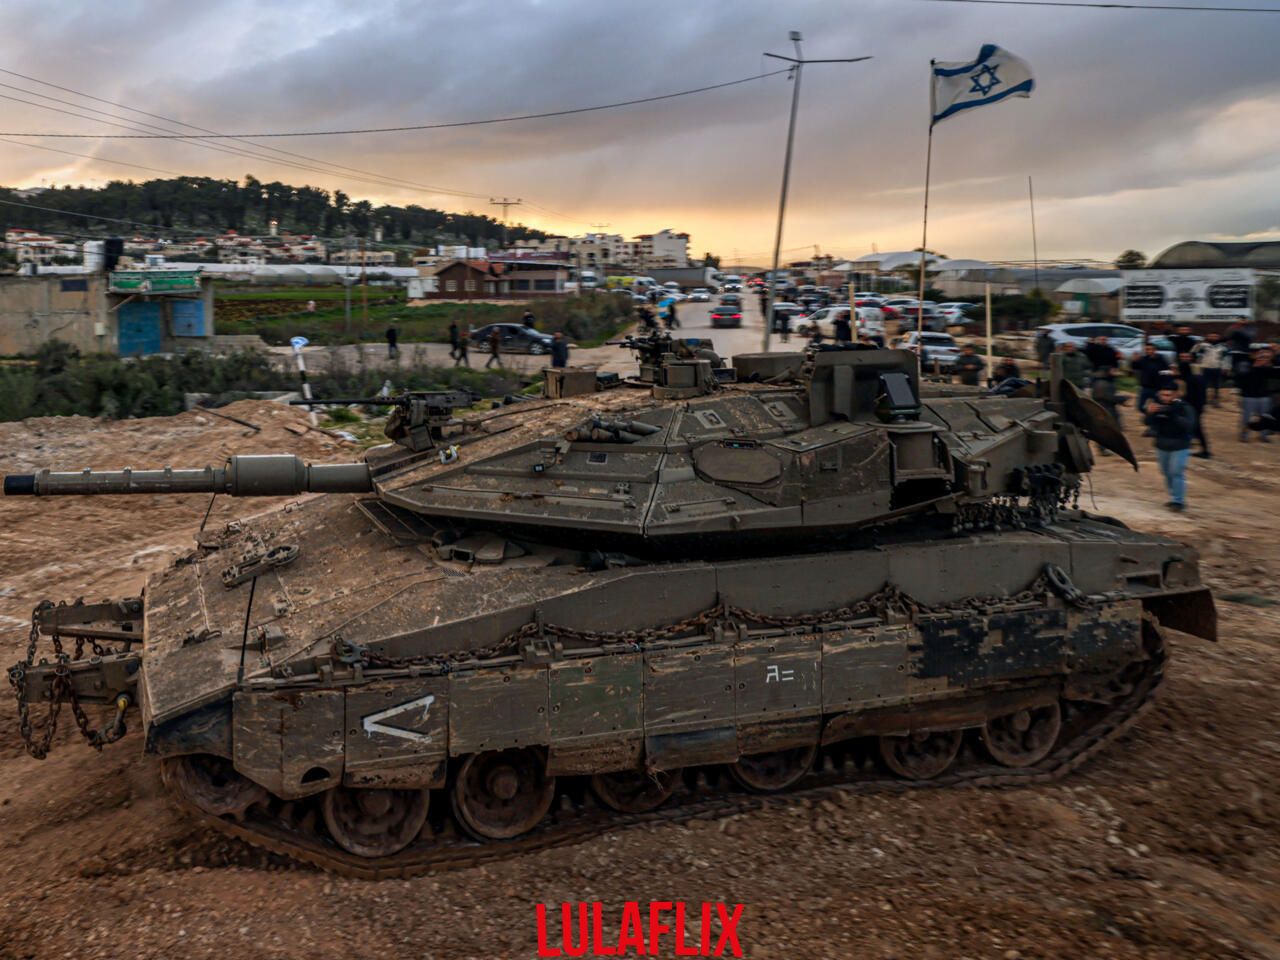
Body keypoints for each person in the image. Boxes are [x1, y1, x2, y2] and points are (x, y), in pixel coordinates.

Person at [1144, 381, 1195, 512]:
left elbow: (1188, 426)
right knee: (1166, 472)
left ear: (1176, 395)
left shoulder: (1184, 407)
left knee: (1176, 472)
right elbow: (1148, 423)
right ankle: (1173, 497)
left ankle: (1178, 501)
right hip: (1162, 445)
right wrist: (1150, 413)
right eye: (1163, 395)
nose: (1165, 398)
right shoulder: (1158, 406)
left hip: (1180, 445)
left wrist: (1173, 415)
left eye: (1168, 395)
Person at [1237, 346, 1277, 442]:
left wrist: (1270, 363)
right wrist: (1256, 366)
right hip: (1249, 397)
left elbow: (1275, 373)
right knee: (1246, 418)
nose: (1262, 357)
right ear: (1252, 354)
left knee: (1265, 418)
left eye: (1264, 355)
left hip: (1263, 396)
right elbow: (1243, 377)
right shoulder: (1244, 364)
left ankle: (1263, 436)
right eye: (1260, 354)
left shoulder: (1266, 366)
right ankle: (1244, 436)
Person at [1177, 353, 1211, 458]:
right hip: (1199, 406)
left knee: (1195, 428)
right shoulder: (1198, 377)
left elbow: (1189, 396)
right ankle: (1203, 449)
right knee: (1195, 428)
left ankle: (1205, 451)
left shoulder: (1188, 380)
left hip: (1192, 407)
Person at [1191, 333, 1227, 406]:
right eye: (1211, 336)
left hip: (1217, 368)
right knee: (1203, 385)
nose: (1213, 337)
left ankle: (1215, 400)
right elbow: (1193, 351)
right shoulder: (1203, 345)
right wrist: (1198, 344)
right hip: (1205, 368)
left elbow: (1226, 358)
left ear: (1219, 337)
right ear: (1207, 337)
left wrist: (1225, 367)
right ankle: (1203, 400)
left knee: (1216, 386)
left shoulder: (1222, 347)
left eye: (1215, 336)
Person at [1131, 342, 1168, 414]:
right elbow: (1135, 367)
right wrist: (1134, 361)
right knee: (1140, 407)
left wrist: (1162, 383)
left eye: (1150, 349)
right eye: (1147, 349)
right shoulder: (1144, 359)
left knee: (1158, 407)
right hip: (1145, 388)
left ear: (1155, 350)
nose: (1148, 351)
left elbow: (1167, 373)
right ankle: (1149, 415)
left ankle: (1156, 417)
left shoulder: (1161, 359)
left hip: (1157, 388)